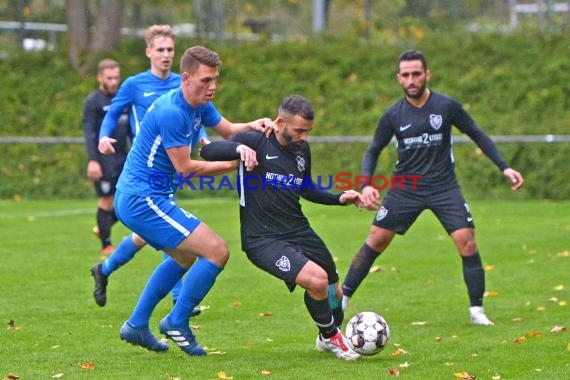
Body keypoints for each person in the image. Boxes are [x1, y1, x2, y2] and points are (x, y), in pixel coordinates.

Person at [340, 50, 524, 326]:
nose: (411, 79)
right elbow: (373, 150)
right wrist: (365, 185)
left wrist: (505, 167)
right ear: (399, 78)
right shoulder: (392, 115)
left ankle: (477, 311)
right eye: (406, 75)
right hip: (406, 187)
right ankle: (340, 303)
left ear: (427, 74)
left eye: (416, 73)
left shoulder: (446, 106)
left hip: (443, 187)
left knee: (467, 241)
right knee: (376, 239)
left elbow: (477, 134)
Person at [113, 45, 273, 356]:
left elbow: (227, 130)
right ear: (186, 78)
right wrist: (231, 165)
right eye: (205, 80)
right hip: (140, 198)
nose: (212, 86)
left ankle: (136, 325)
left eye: (215, 79)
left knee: (184, 257)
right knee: (217, 251)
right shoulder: (172, 112)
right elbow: (185, 169)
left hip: (147, 197)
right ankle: (176, 321)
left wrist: (253, 125)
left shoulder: (199, 103)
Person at [200, 95, 362, 361]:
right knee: (317, 280)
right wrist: (238, 149)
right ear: (279, 123)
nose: (304, 137)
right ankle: (333, 338)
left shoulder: (301, 150)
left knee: (334, 293)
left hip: (298, 229)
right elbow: (207, 151)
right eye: (299, 130)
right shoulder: (255, 140)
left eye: (308, 132)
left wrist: (338, 197)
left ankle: (327, 334)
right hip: (262, 239)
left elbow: (305, 187)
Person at [90, 25, 203, 315]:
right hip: (148, 171)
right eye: (160, 50)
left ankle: (103, 270)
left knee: (147, 236)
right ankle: (179, 301)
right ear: (149, 52)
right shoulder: (134, 84)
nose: (166, 55)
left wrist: (204, 139)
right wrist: (104, 135)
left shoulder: (184, 82)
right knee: (173, 235)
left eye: (170, 50)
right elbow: (113, 112)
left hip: (171, 168)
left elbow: (197, 117)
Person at [82, 59, 130, 255]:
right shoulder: (93, 101)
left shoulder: (123, 99)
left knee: (127, 198)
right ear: (100, 77)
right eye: (110, 78)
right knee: (106, 200)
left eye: (117, 77)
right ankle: (106, 245)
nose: (114, 81)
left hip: (123, 158)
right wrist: (93, 160)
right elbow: (89, 133)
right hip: (103, 160)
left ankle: (102, 227)